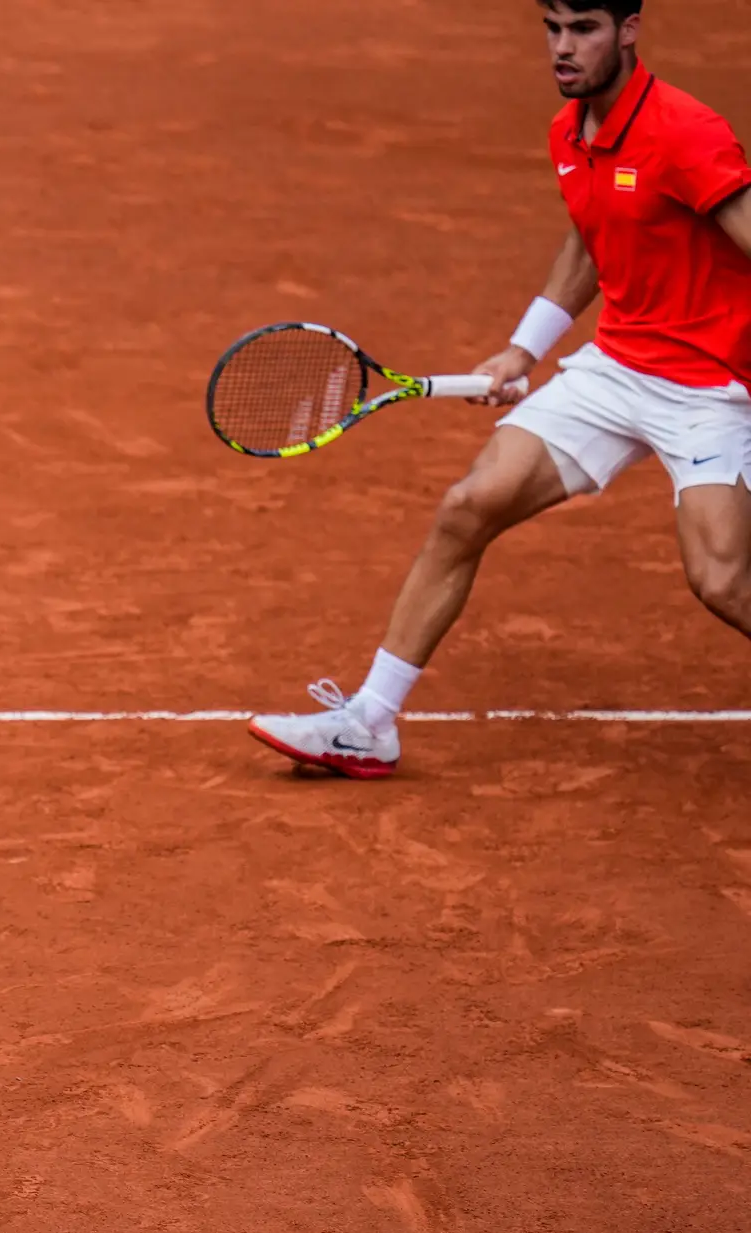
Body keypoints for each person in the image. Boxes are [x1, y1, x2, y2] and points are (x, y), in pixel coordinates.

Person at [250, 0, 751, 778]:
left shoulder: (686, 132)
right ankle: (368, 723)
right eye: (551, 28)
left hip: (709, 386)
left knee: (722, 580)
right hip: (615, 368)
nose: (562, 48)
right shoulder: (570, 132)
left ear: (628, 29)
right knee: (469, 505)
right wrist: (526, 348)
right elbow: (594, 237)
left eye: (583, 28)